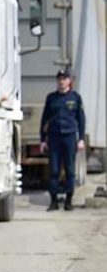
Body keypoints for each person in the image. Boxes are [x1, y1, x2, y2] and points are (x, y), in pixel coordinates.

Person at [40, 68, 86, 211]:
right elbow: (44, 119)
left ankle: (68, 201)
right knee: (53, 170)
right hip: (54, 138)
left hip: (69, 137)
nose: (61, 82)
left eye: (64, 79)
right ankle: (53, 201)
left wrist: (81, 139)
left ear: (69, 81)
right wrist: (42, 139)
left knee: (70, 170)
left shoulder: (75, 97)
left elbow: (81, 119)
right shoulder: (51, 98)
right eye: (59, 79)